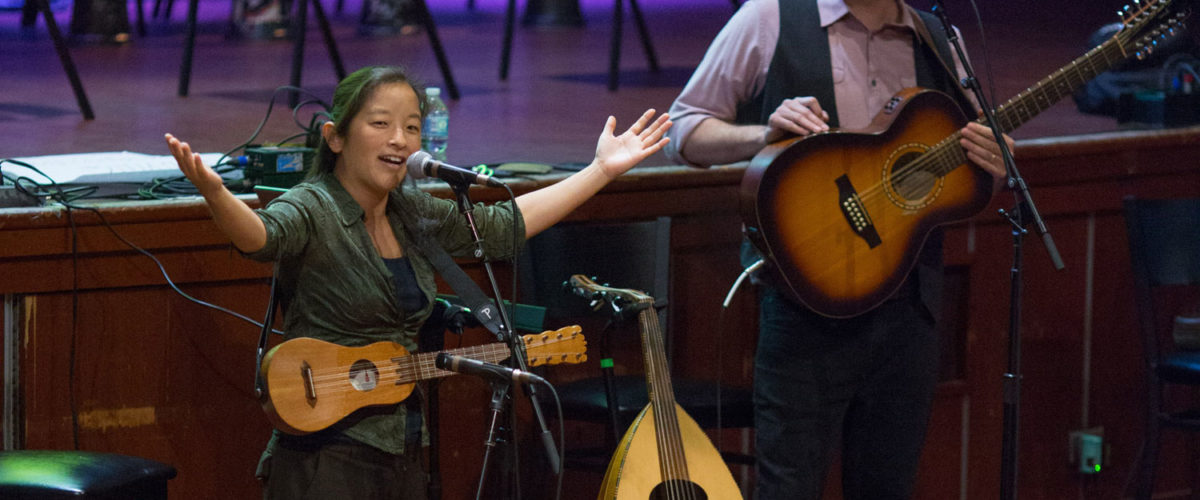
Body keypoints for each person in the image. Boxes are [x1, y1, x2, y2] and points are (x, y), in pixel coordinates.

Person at [165, 65, 671, 499]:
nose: (400, 140)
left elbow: (501, 228)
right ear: (336, 137)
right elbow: (262, 237)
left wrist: (601, 170)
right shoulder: (313, 206)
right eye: (380, 124)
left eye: (411, 127)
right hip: (326, 458)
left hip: (405, 444)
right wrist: (216, 195)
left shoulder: (410, 211)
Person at [664, 0, 1011, 498]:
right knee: (790, 489)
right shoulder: (770, 17)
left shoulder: (936, 35)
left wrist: (992, 164)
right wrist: (763, 136)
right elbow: (683, 131)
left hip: (910, 308)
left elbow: (967, 168)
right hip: (805, 307)